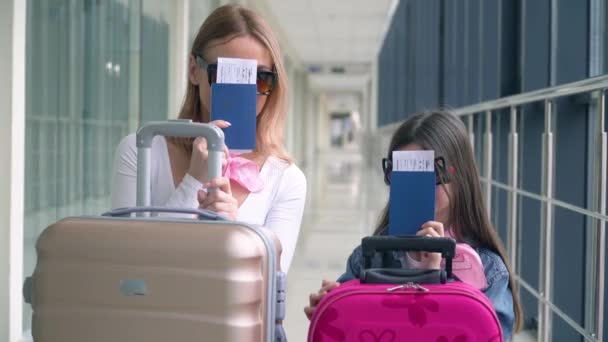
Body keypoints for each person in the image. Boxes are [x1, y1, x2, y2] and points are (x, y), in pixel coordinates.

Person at [111, 4, 306, 273]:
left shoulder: (286, 179)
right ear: (194, 70)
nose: (243, 93)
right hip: (152, 314)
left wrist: (236, 232)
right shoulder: (141, 150)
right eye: (224, 74)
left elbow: (272, 287)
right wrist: (192, 184)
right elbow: (125, 265)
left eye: (260, 79)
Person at [303, 111, 522, 339]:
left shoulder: (487, 270)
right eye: (403, 171)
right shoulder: (369, 257)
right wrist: (331, 309)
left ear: (460, 174)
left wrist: (436, 279)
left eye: (431, 172)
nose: (417, 186)